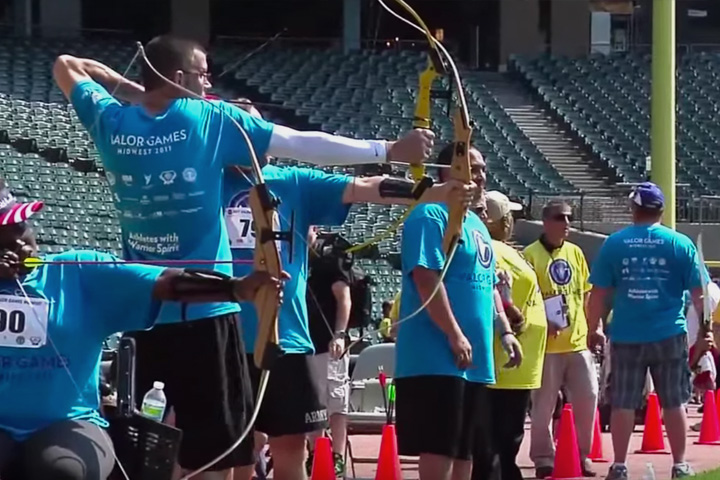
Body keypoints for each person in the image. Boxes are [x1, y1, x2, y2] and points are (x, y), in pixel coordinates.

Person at [52, 35, 435, 478]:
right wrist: (388, 150)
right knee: (216, 449)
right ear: (179, 77)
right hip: (208, 312)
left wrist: (145, 94)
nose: (208, 83)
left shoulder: (110, 120)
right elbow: (300, 142)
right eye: (202, 75)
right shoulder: (208, 118)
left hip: (147, 309)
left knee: (151, 447)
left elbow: (67, 64)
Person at [222, 103, 475, 480]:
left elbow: (364, 188)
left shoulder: (293, 181)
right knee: (232, 453)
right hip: (221, 335)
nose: (260, 139)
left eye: (262, 131)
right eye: (246, 132)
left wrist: (436, 193)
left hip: (285, 338)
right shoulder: (203, 183)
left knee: (291, 447)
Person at [0, 180, 284, 480]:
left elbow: (165, 283)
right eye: (4, 235)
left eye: (21, 226)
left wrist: (236, 289)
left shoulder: (77, 271)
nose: (20, 239)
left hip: (69, 422)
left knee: (62, 471)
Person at [394, 144, 522, 480]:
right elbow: (426, 277)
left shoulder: (477, 225)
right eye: (472, 168)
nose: (480, 176)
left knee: (466, 451)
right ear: (446, 171)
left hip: (475, 361)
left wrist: (505, 330)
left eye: (483, 169)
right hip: (437, 358)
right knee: (440, 449)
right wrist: (454, 334)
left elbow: (487, 284)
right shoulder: (429, 215)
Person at [586, 182, 712, 480]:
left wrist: (593, 328)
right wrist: (705, 331)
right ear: (661, 210)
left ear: (634, 209)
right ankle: (680, 464)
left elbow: (598, 294)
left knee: (623, 401)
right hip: (669, 333)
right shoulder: (679, 243)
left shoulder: (615, 243)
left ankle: (619, 465)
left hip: (627, 334)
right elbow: (701, 295)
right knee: (674, 400)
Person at [471, 191, 547, 480]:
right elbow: (497, 297)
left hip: (511, 363)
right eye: (509, 217)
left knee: (501, 442)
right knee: (496, 444)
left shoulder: (501, 250)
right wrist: (513, 316)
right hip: (503, 362)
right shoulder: (490, 250)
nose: (512, 222)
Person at [524, 200, 598, 479]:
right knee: (543, 404)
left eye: (569, 218)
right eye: (559, 218)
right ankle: (543, 457)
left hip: (577, 341)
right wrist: (543, 321)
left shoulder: (575, 252)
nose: (566, 223)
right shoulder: (530, 255)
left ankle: (581, 454)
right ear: (545, 222)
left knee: (588, 396)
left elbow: (586, 293)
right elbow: (526, 299)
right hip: (547, 345)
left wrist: (595, 326)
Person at [305, 227, 353, 476]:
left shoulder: (330, 256)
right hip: (304, 343)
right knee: (312, 401)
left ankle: (337, 455)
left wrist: (339, 334)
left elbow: (344, 298)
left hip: (328, 341)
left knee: (335, 399)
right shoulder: (294, 256)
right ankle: (315, 452)